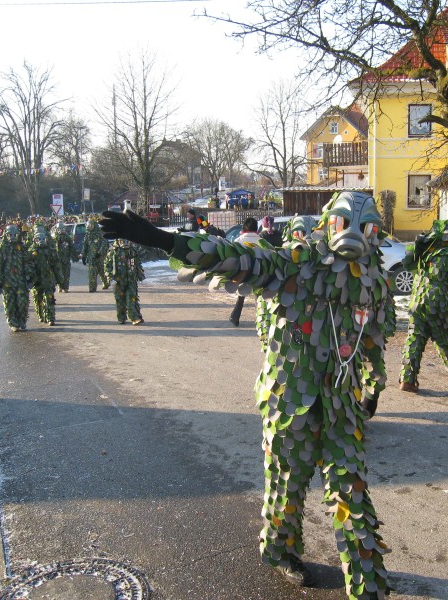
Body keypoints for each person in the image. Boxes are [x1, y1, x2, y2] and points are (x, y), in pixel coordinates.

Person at [100, 191, 395, 599]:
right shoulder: (295, 263)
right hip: (290, 401)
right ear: (329, 225)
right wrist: (166, 241)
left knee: (353, 496)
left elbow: (373, 339)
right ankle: (280, 551)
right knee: (287, 488)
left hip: (341, 407)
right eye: (343, 224)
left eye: (367, 228)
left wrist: (374, 384)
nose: (355, 235)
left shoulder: (373, 282)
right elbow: (237, 258)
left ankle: (367, 587)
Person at [398, 220, 448, 392]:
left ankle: (407, 379)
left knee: (415, 338)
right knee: (442, 336)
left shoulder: (423, 251)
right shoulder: (447, 255)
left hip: (417, 301)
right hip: (437, 302)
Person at [228, 217, 269, 326]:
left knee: (241, 296)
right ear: (256, 228)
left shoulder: (238, 241)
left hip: (243, 274)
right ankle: (261, 320)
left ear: (244, 227)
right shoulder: (261, 241)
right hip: (259, 273)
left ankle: (235, 317)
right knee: (258, 296)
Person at [0, 225, 32, 332]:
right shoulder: (2, 248)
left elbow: (28, 262)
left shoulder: (22, 248)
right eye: (10, 234)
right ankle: (13, 323)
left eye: (15, 234)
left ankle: (22, 321)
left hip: (21, 280)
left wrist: (29, 277)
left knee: (23, 302)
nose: (13, 236)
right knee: (10, 303)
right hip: (8, 282)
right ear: (6, 235)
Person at [104, 238, 146, 325]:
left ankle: (134, 317)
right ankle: (121, 317)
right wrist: (110, 278)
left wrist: (140, 275)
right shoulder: (113, 252)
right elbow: (107, 266)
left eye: (126, 241)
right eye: (122, 241)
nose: (125, 243)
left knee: (132, 299)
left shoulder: (132, 251)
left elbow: (137, 264)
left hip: (131, 280)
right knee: (120, 301)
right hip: (118, 282)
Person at [28, 231, 62, 326]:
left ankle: (51, 317)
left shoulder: (50, 250)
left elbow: (56, 265)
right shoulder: (31, 251)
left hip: (48, 278)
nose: (41, 241)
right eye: (39, 239)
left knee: (49, 298)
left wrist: (59, 278)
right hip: (37, 279)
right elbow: (28, 265)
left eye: (43, 239)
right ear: (35, 240)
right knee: (38, 298)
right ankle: (41, 315)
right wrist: (30, 278)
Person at [82, 219, 110, 292]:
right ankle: (92, 288)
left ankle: (106, 283)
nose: (90, 227)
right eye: (88, 225)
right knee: (92, 273)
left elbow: (104, 244)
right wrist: (84, 256)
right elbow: (85, 246)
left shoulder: (100, 234)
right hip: (91, 257)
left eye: (91, 225)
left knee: (102, 271)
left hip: (100, 257)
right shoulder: (87, 235)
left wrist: (100, 253)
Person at [52, 224, 80, 292]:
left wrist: (75, 256)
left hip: (66, 258)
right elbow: (51, 248)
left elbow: (71, 247)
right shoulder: (54, 237)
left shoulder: (67, 237)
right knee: (58, 273)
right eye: (59, 228)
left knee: (66, 273)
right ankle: (60, 286)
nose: (61, 230)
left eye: (62, 228)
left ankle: (66, 288)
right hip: (57, 259)